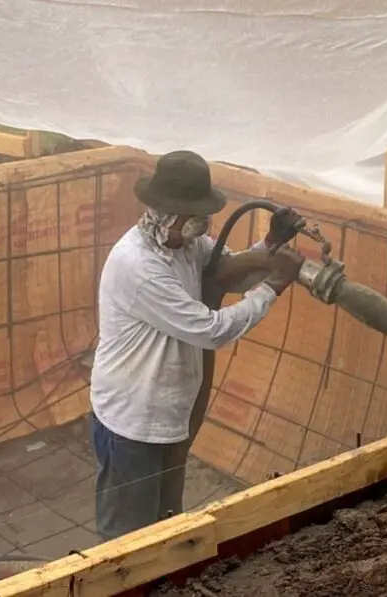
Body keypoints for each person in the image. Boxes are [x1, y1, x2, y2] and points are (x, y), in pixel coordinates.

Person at [89, 150, 305, 541]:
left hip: (171, 416)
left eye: (204, 215)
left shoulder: (187, 246)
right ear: (164, 214)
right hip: (132, 422)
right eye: (195, 217)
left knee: (166, 527)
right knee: (126, 545)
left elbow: (226, 272)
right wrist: (272, 287)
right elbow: (211, 330)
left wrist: (271, 243)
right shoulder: (139, 267)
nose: (204, 225)